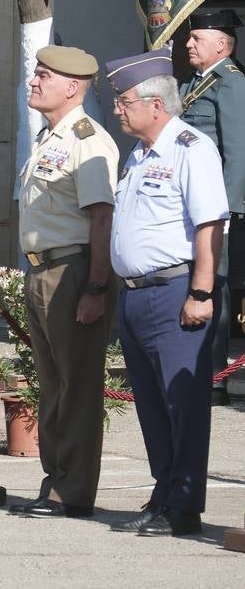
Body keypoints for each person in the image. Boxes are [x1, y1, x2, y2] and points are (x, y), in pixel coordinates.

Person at [104, 47, 227, 538]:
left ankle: (184, 505)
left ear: (156, 105)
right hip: (135, 295)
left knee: (183, 403)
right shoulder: (139, 153)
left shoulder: (191, 148)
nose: (117, 109)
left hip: (175, 291)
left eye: (124, 101)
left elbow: (209, 226)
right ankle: (163, 492)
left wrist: (200, 292)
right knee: (152, 405)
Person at [6, 46, 120, 520]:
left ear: (72, 87)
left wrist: (95, 288)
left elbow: (101, 218)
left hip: (72, 272)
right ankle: (54, 481)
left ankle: (71, 494)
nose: (34, 81)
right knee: (52, 385)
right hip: (42, 270)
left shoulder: (88, 140)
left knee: (75, 386)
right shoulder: (52, 137)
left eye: (44, 75)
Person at [179, 8, 245, 405]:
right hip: (192, 200)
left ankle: (214, 376)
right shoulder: (197, 82)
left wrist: (227, 208)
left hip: (215, 206)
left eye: (197, 38)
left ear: (222, 44)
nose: (188, 43)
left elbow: (237, 151)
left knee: (213, 286)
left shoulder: (231, 84)